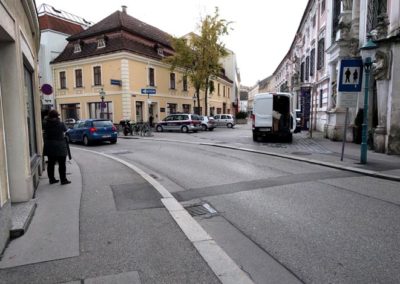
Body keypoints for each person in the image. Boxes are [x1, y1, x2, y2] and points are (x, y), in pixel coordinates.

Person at [43, 109, 71, 185]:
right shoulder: (60, 123)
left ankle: (51, 179)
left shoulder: (45, 123)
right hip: (60, 146)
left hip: (49, 145)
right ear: (57, 116)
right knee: (62, 164)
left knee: (51, 163)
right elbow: (66, 130)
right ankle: (63, 180)